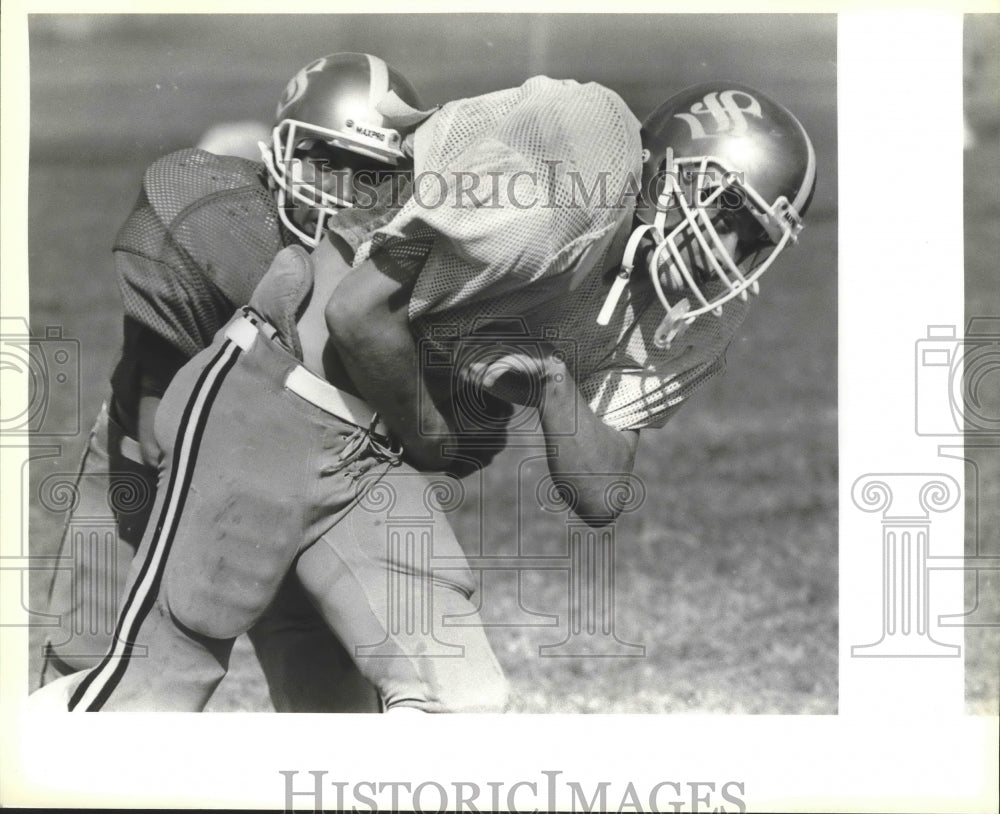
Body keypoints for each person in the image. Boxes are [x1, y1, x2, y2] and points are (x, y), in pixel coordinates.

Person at [36, 77, 815, 712]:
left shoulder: (688, 321)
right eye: (733, 220)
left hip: (370, 457)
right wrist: (434, 438)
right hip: (273, 403)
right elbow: (355, 311)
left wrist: (549, 384)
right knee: (148, 693)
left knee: (453, 702)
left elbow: (603, 490)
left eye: (758, 242)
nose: (733, 257)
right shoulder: (589, 160)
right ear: (679, 169)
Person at [39, 52, 432, 712]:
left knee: (337, 719)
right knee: (95, 679)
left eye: (369, 174)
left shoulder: (395, 276)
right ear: (279, 150)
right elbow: (158, 429)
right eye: (324, 159)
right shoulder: (206, 223)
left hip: (301, 468)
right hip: (151, 455)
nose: (341, 188)